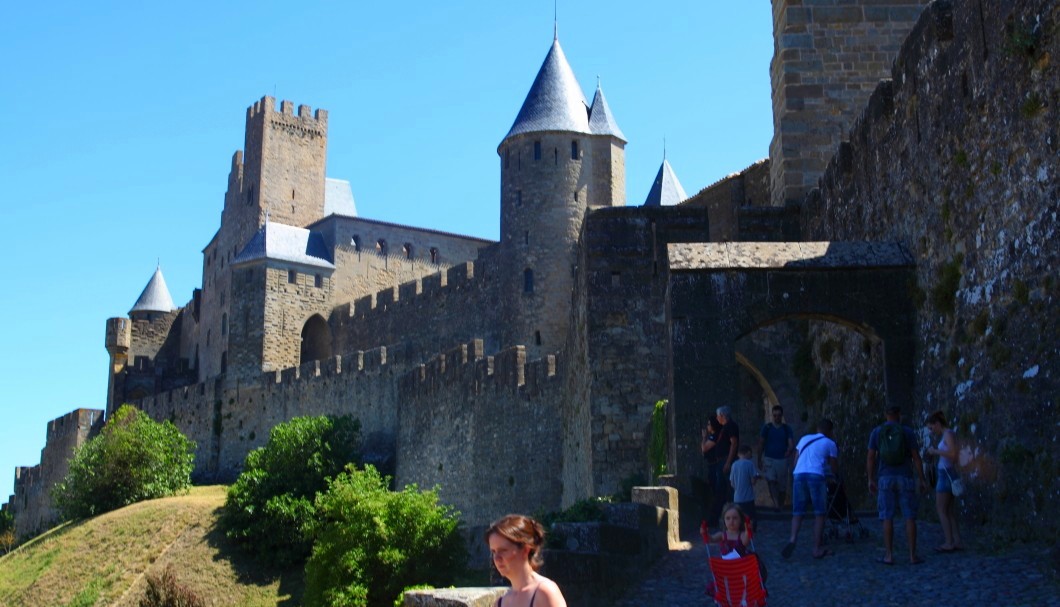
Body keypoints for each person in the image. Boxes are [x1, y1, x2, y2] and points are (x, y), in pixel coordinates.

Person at [867, 406, 929, 565]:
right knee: (910, 516)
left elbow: (871, 458)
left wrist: (871, 479)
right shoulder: (907, 432)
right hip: (905, 477)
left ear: (885, 415)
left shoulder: (876, 432)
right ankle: (912, 555)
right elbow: (916, 458)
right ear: (899, 415)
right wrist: (921, 478)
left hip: (885, 478)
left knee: (887, 516)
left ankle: (888, 555)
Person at [781, 418, 838, 560]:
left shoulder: (805, 438)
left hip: (799, 475)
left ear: (817, 428)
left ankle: (793, 539)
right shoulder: (830, 443)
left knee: (798, 512)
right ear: (830, 431)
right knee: (820, 513)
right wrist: (834, 477)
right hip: (816, 476)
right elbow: (833, 466)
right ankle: (817, 549)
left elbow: (796, 460)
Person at [486, 514, 567, 607]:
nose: (496, 558)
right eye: (494, 551)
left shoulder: (545, 592)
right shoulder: (500, 603)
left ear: (525, 550)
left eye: (503, 551)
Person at [925, 411, 964, 553]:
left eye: (931, 427)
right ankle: (957, 540)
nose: (931, 430)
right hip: (948, 473)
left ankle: (949, 542)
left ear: (937, 424)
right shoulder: (949, 434)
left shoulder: (947, 434)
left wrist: (935, 452)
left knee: (941, 509)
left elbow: (953, 454)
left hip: (945, 475)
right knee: (949, 510)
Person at [757, 404, 794, 509]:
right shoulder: (767, 428)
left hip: (782, 460)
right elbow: (761, 443)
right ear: (772, 415)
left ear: (781, 416)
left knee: (782, 486)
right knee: (771, 480)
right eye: (775, 415)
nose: (777, 417)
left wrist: (789, 450)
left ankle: (780, 504)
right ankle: (777, 504)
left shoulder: (786, 429)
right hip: (769, 459)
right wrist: (759, 459)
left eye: (779, 415)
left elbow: (791, 443)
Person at [730, 445, 761, 531]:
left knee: (739, 517)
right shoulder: (749, 464)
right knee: (751, 517)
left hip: (737, 497)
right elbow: (753, 481)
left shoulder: (734, 465)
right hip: (748, 497)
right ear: (747, 452)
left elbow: (732, 483)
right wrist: (757, 478)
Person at [700, 416, 723, 524]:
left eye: (709, 424)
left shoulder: (715, 436)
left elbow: (704, 448)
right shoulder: (713, 436)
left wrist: (704, 437)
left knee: (717, 493)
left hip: (715, 466)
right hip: (712, 466)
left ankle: (715, 518)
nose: (707, 426)